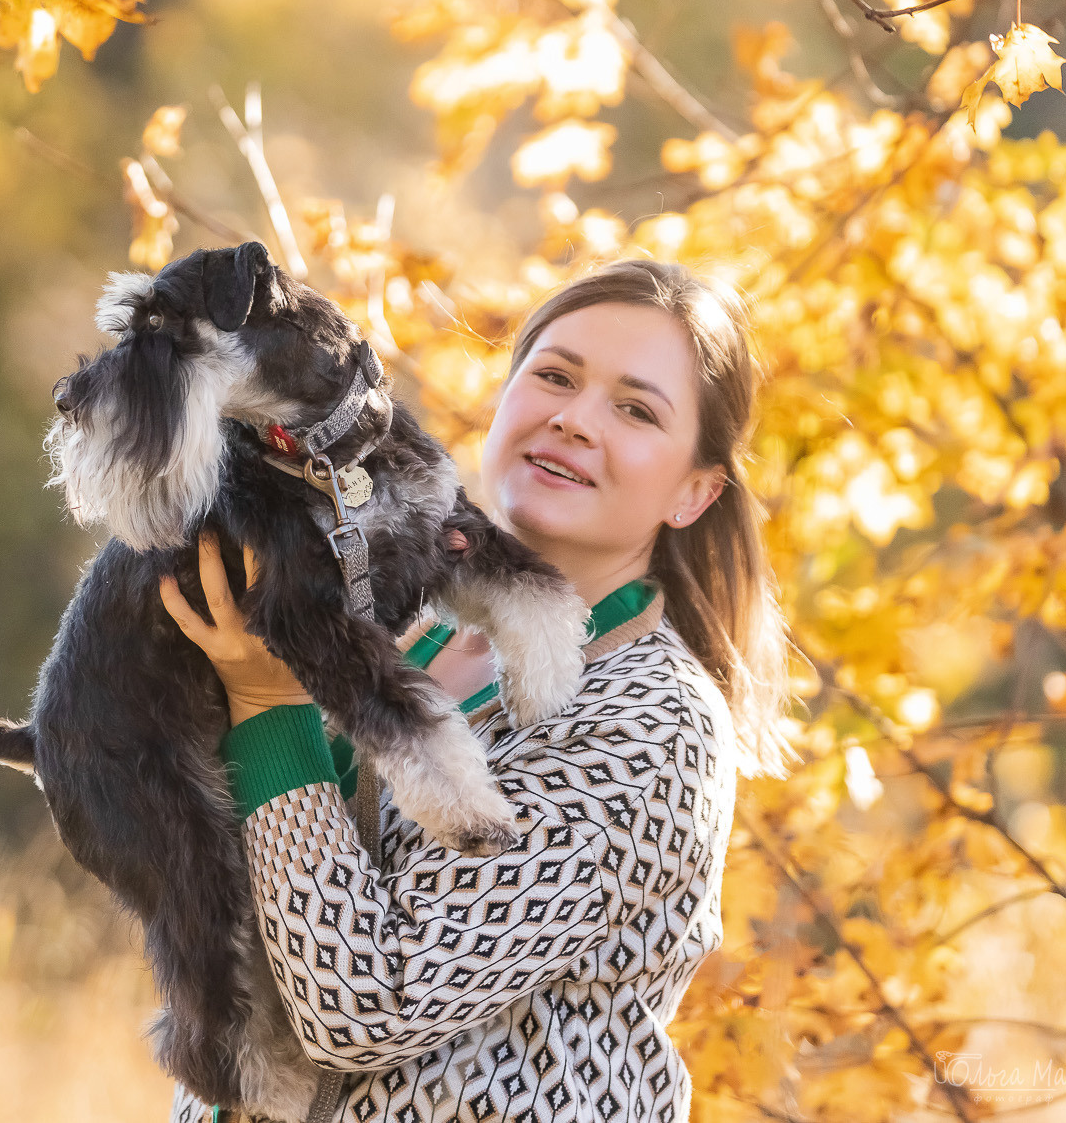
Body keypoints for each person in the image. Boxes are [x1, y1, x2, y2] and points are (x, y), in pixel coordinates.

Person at [157, 258, 797, 1123]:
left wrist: (269, 706)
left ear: (694, 491)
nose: (574, 419)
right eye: (555, 376)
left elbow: (368, 1005)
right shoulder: (393, 618)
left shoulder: (654, 720)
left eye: (636, 408)